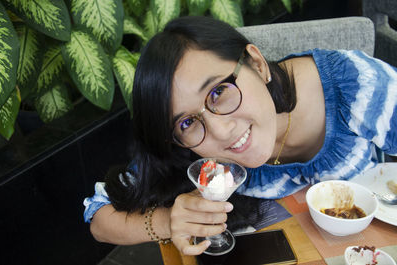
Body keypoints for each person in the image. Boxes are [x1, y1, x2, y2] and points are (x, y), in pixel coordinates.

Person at [83, 16, 397, 255]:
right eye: (186, 122)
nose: (220, 132)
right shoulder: (193, 154)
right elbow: (100, 218)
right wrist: (169, 221)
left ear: (258, 65)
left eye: (218, 91)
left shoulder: (358, 87)